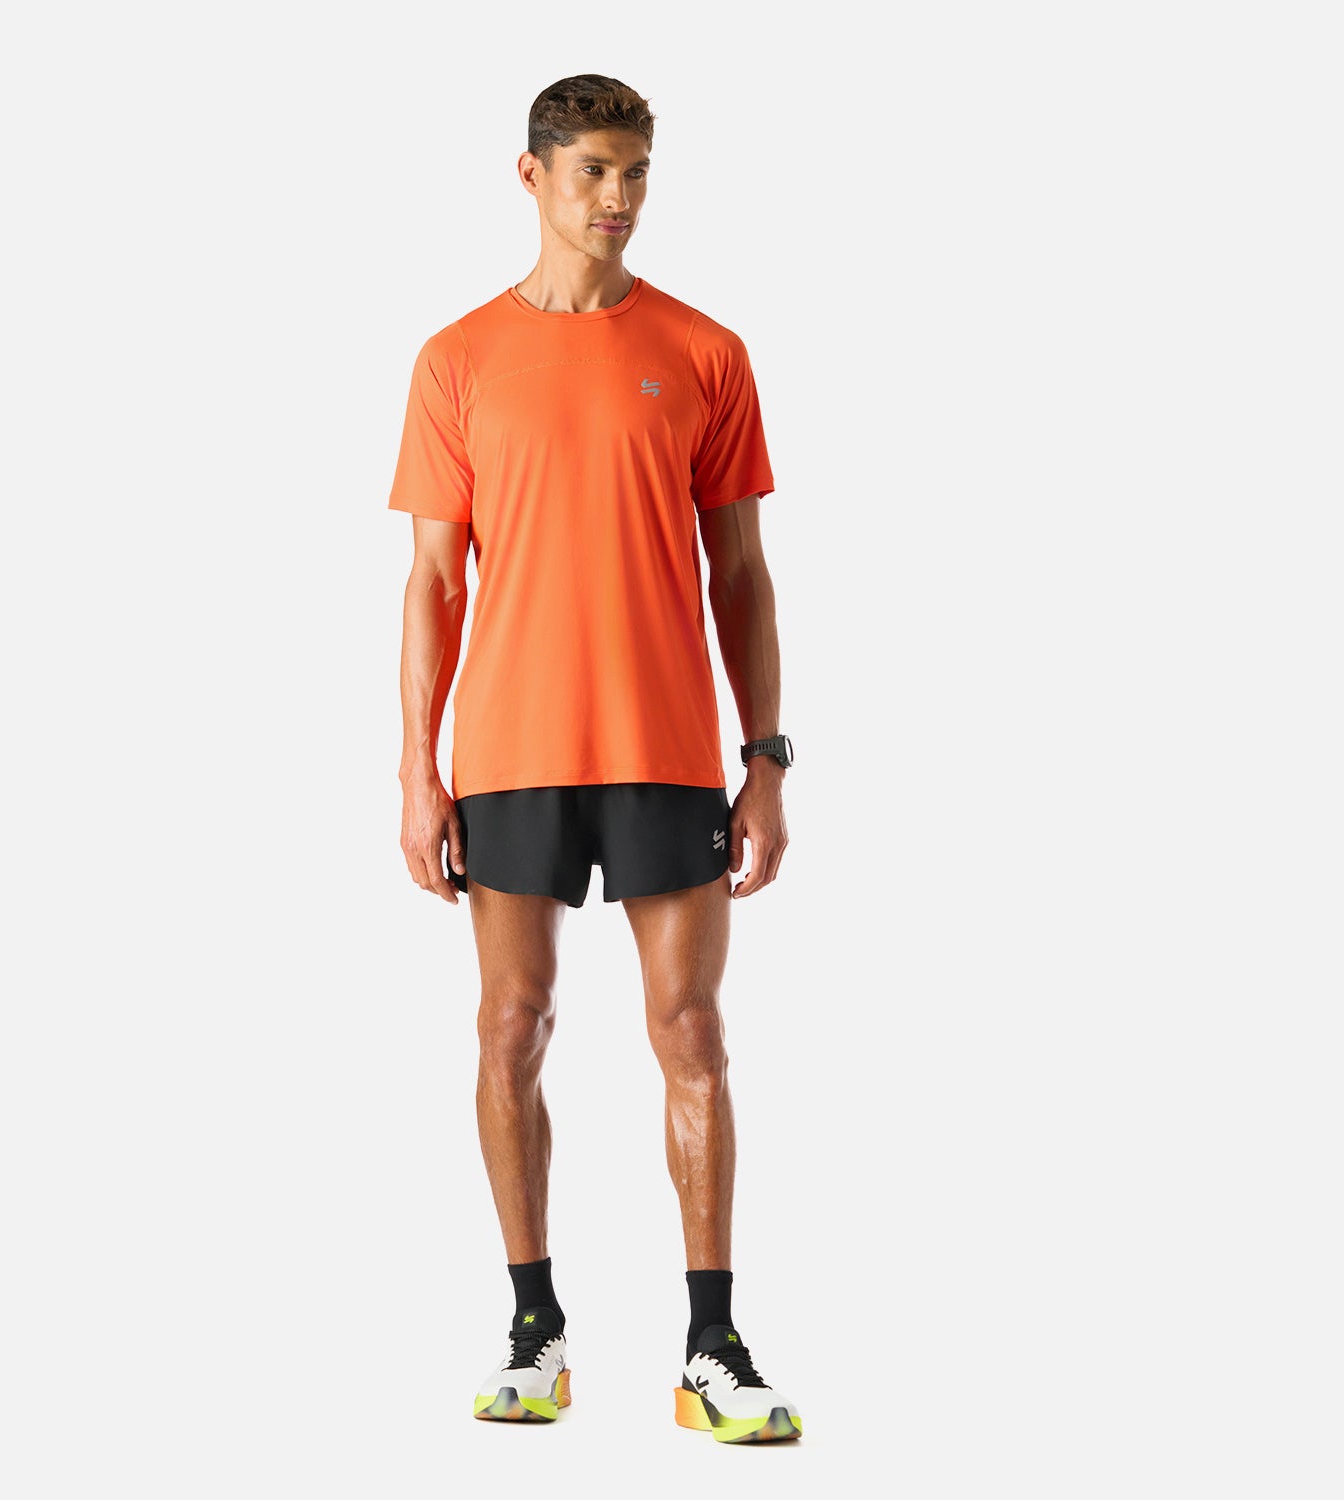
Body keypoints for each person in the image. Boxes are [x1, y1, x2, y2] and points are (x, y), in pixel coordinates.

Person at [387, 74, 801, 1445]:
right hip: (510, 750)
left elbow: (742, 572)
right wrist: (416, 771)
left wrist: (766, 759)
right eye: (594, 173)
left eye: (636, 173)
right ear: (533, 176)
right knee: (511, 1026)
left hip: (667, 747)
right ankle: (535, 1327)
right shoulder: (456, 360)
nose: (618, 198)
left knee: (692, 1033)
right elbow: (434, 582)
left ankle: (712, 1346)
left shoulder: (704, 351)